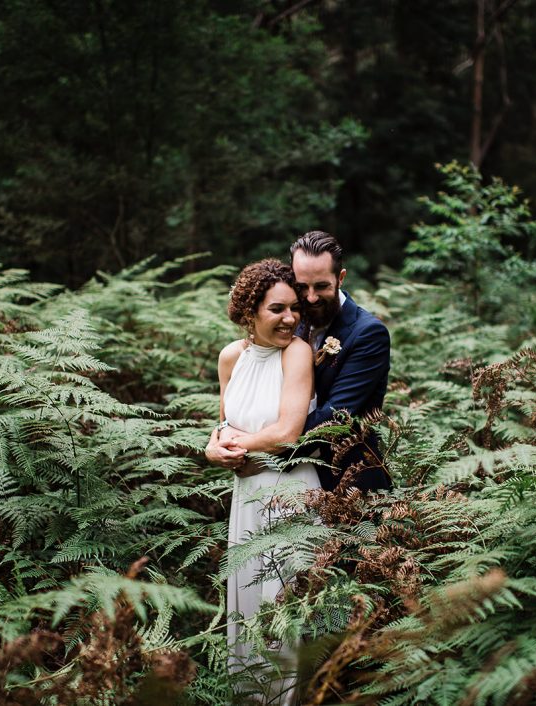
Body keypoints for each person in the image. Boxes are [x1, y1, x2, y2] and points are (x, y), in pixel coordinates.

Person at [204, 259, 319, 700]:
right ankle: (251, 695)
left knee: (286, 604)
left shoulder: (298, 353)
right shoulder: (231, 357)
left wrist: (233, 446)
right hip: (247, 495)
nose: (290, 318)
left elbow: (289, 432)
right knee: (250, 603)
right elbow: (225, 425)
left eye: (294, 308)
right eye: (277, 309)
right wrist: (213, 447)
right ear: (249, 312)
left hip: (290, 491)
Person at [289, 231, 392, 492]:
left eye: (321, 286)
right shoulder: (291, 324)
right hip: (289, 488)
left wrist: (265, 453)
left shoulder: (368, 333)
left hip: (348, 485)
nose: (311, 297)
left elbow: (334, 418)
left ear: (340, 278)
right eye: (302, 287)